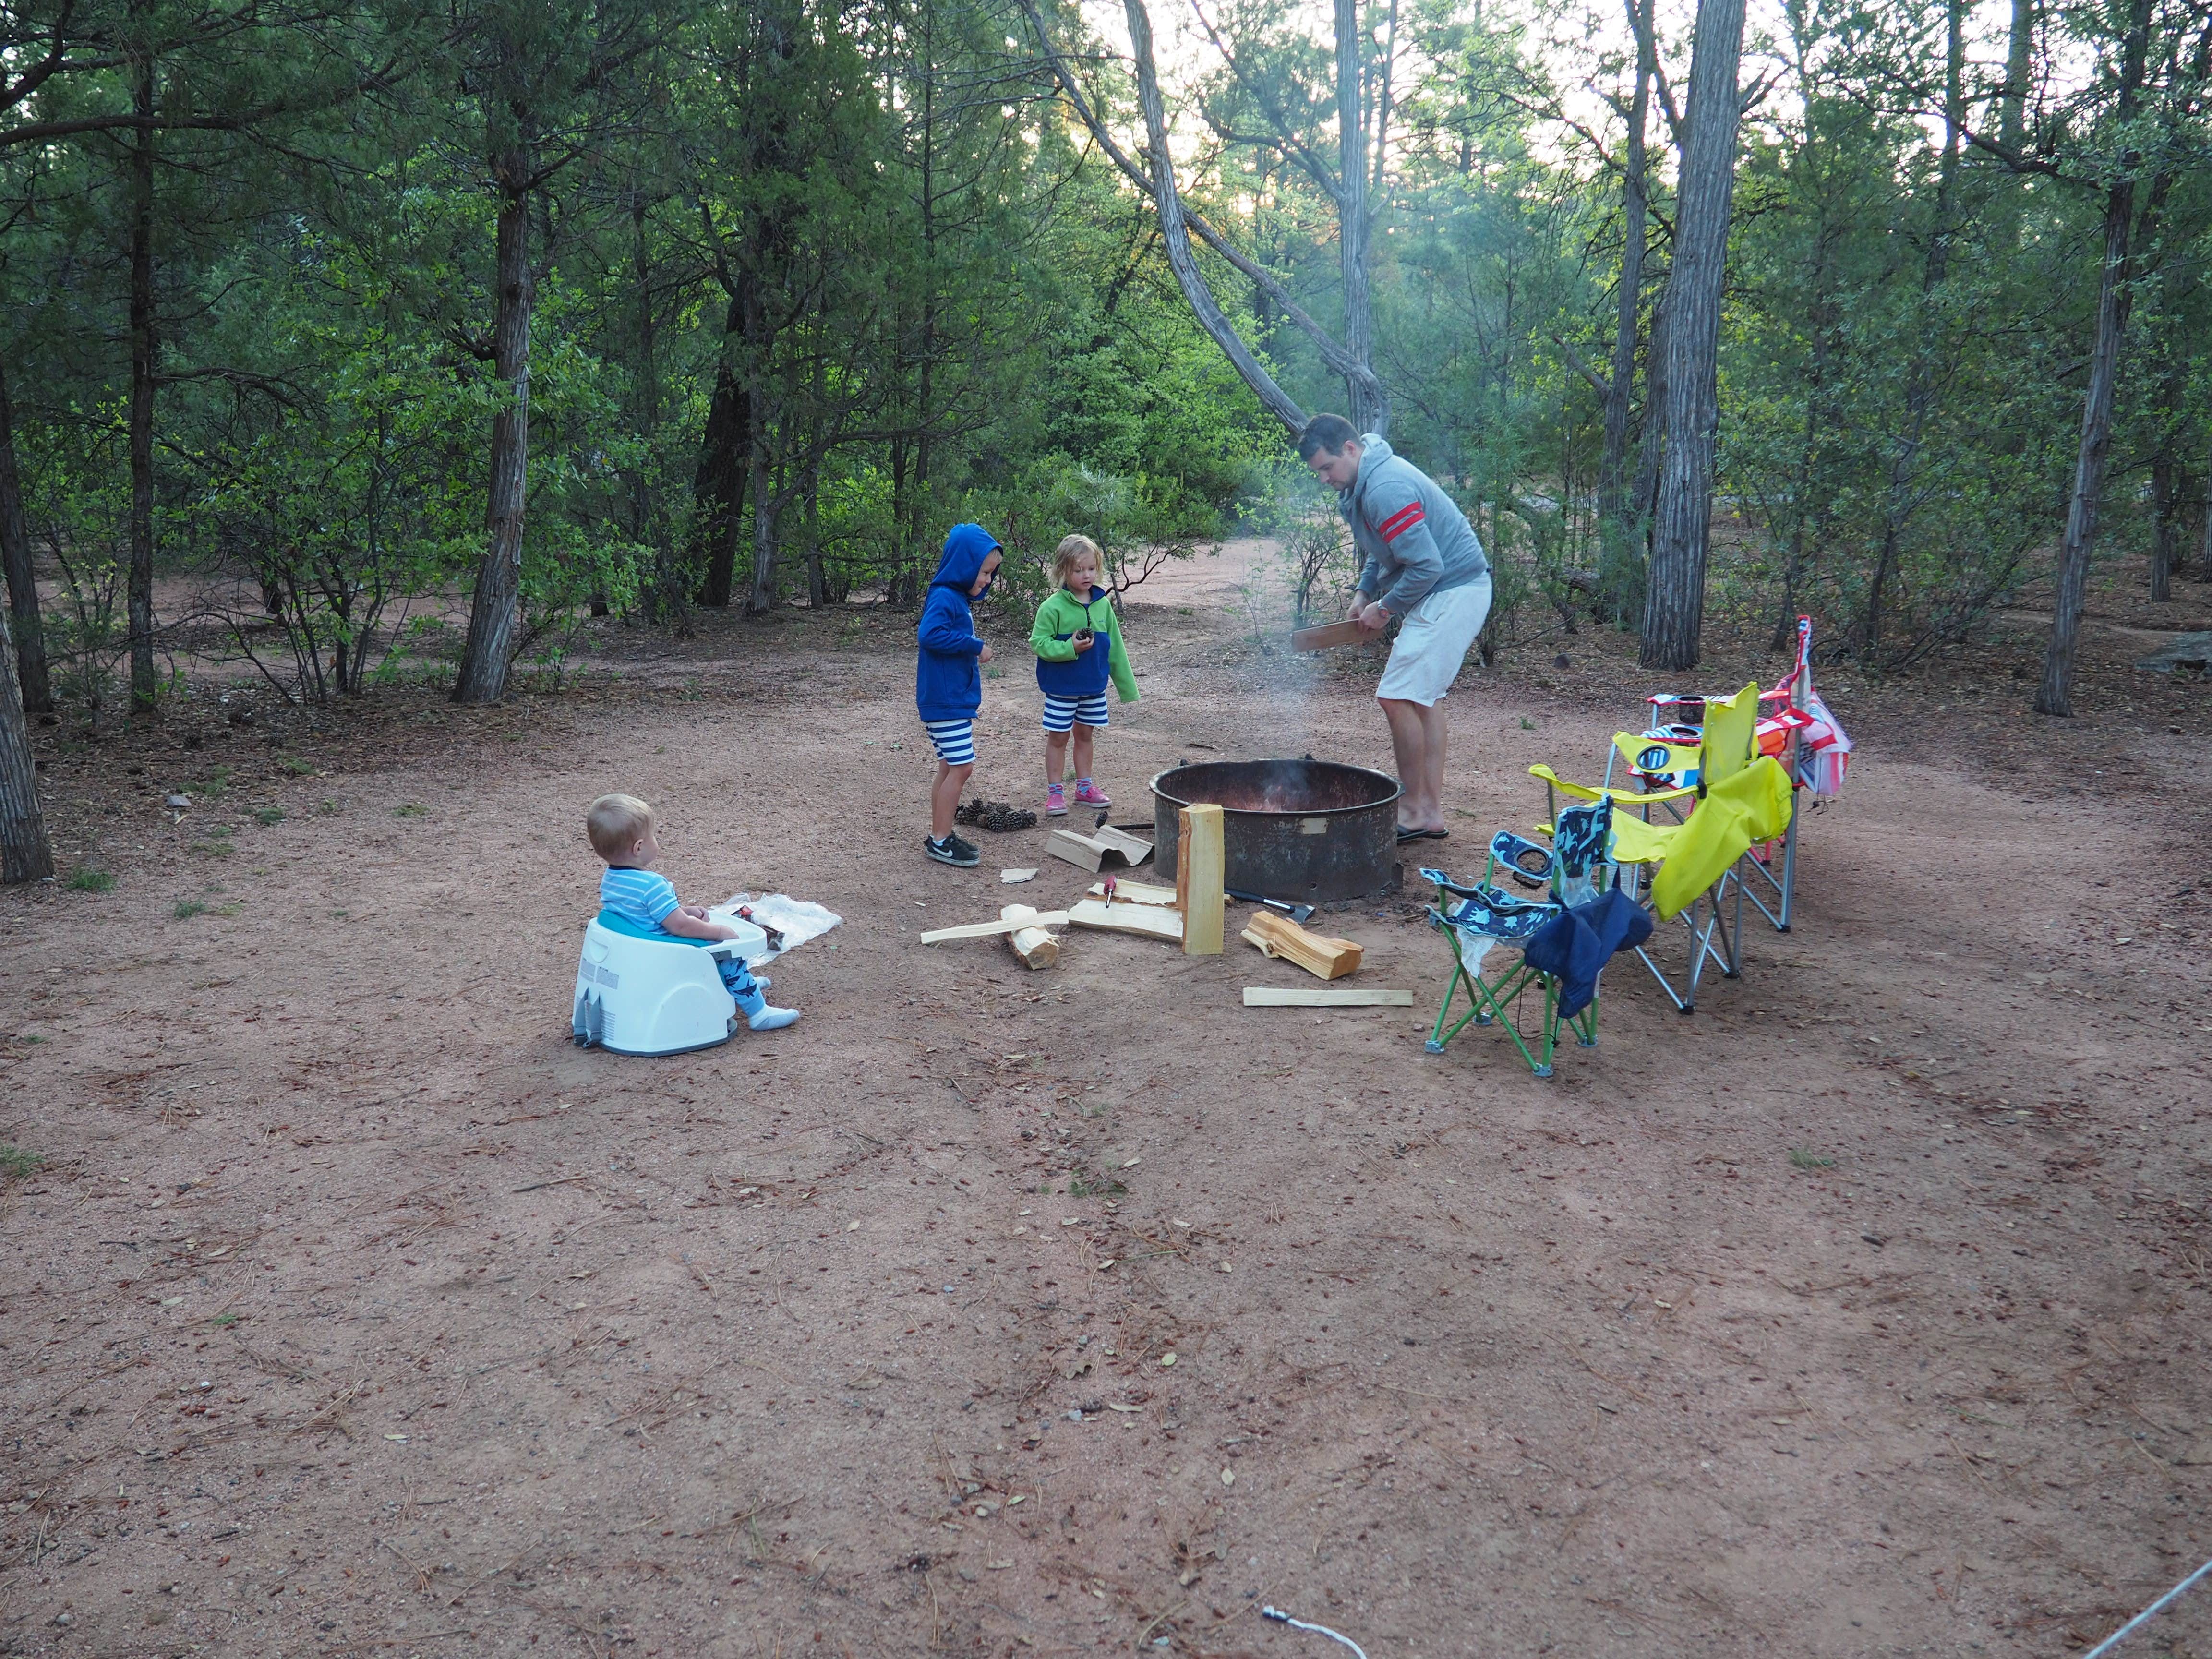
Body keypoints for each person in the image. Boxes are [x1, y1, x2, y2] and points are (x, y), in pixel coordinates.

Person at [1298, 413, 1492, 842]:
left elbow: (1426, 565)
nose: (1325, 479)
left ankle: (1412, 811)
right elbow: (1384, 548)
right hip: (1444, 591)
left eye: (1327, 468)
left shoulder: (1385, 487)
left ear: (1351, 449)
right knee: (1422, 699)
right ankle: (1429, 813)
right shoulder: (1362, 484)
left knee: (1396, 696)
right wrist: (1364, 593)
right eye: (1318, 473)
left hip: (1454, 590)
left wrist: (1385, 609)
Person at [585, 793, 799, 1032]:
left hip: (643, 946)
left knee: (719, 946)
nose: (657, 840)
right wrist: (718, 932)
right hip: (668, 948)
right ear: (639, 847)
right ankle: (758, 1011)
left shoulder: (612, 880)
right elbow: (680, 927)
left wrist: (681, 910)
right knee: (727, 953)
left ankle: (739, 987)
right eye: (653, 836)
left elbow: (639, 913)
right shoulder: (653, 885)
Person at [1028, 533, 1139, 816]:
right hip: (1062, 688)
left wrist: (1128, 689)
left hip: (1093, 688)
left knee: (1085, 735)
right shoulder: (1052, 607)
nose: (1086, 575)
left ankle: (1084, 787)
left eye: (1091, 569)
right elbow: (1039, 643)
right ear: (1063, 571)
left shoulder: (1103, 605)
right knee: (1058, 738)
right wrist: (1070, 647)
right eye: (1078, 570)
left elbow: (1116, 649)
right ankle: (1055, 793)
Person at [916, 522, 1004, 867]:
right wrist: (973, 645)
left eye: (991, 575)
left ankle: (941, 834)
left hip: (950, 700)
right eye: (983, 572)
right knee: (962, 767)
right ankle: (940, 840)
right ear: (964, 565)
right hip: (945, 701)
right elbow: (930, 634)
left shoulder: (955, 598)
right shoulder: (944, 597)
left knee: (948, 767)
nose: (987, 581)